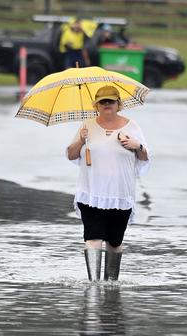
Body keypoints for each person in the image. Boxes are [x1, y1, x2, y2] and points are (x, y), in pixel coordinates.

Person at [66, 85, 150, 281]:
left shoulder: (132, 127)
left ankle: (111, 284)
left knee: (114, 240)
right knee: (92, 237)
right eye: (102, 102)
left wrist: (137, 146)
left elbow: (145, 157)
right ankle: (94, 285)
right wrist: (80, 140)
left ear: (118, 104)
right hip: (91, 193)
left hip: (120, 195)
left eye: (110, 101)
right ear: (96, 105)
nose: (107, 105)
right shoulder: (87, 126)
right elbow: (71, 154)